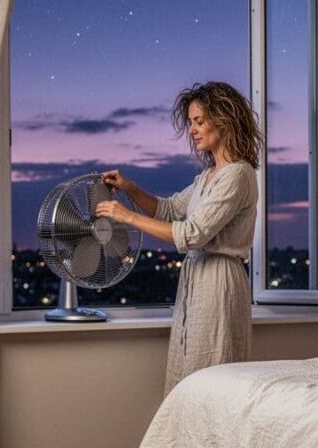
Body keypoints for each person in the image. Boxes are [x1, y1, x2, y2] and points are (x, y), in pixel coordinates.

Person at [95, 82, 262, 395]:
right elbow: (168, 209)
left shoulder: (238, 174)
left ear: (224, 120)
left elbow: (191, 234)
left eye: (199, 121)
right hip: (197, 277)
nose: (192, 130)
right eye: (190, 123)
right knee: (188, 370)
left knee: (212, 373)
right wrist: (129, 188)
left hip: (219, 279)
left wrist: (127, 216)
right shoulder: (208, 176)